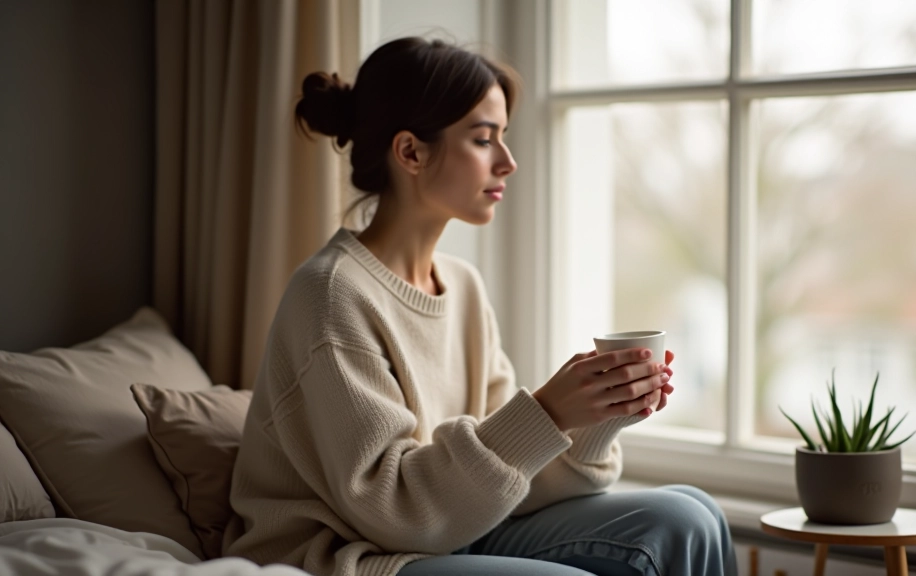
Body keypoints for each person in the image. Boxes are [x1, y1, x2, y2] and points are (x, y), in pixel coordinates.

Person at [222, 36, 738, 576]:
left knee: (688, 514)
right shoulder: (331, 295)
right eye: (484, 139)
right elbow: (395, 510)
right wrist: (548, 412)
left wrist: (598, 419)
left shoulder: (462, 286)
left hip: (454, 531)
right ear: (411, 152)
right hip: (354, 556)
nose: (508, 162)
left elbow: (508, 481)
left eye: (503, 138)